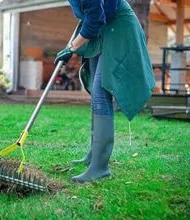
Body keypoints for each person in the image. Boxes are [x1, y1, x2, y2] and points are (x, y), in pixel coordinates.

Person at [54, 0, 155, 183]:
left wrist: (72, 48)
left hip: (118, 27)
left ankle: (100, 167)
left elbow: (95, 19)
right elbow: (91, 15)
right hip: (101, 28)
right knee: (95, 88)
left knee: (101, 91)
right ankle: (94, 153)